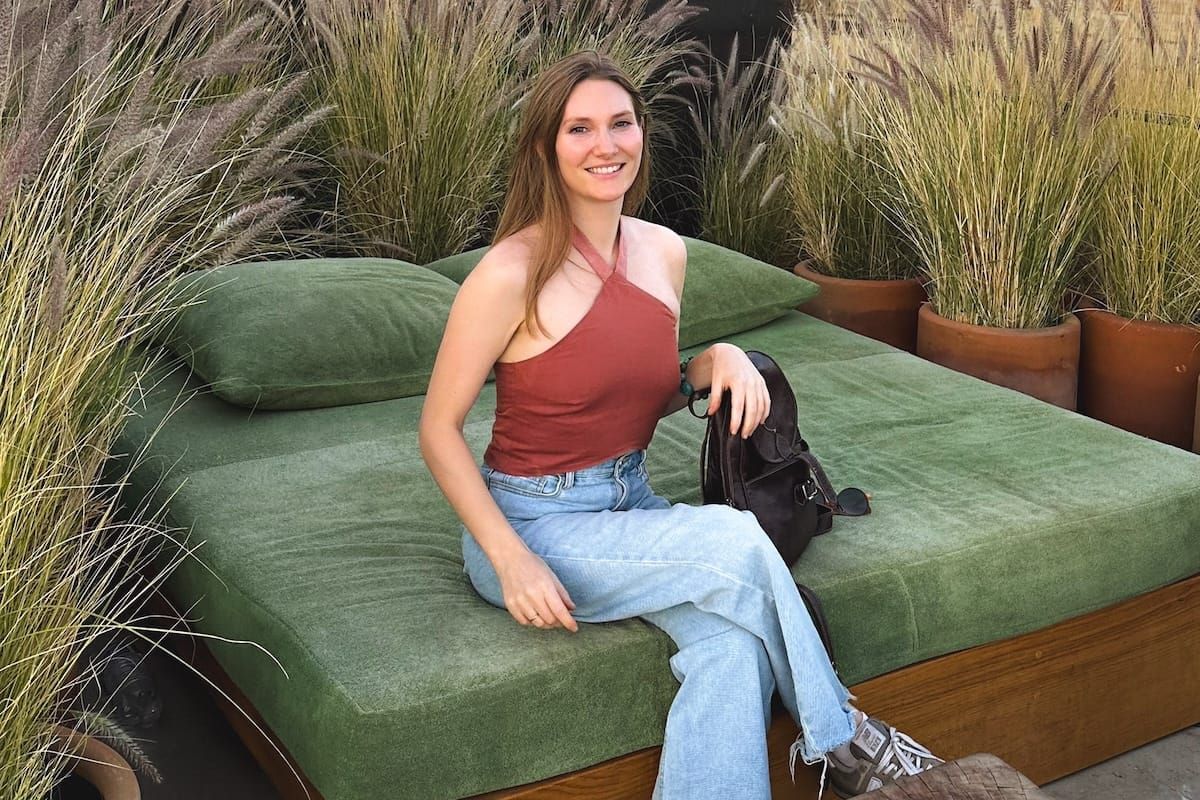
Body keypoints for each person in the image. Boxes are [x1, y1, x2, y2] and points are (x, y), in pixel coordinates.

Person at [418, 50, 942, 799]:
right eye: (580, 129)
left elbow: (641, 391)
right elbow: (438, 430)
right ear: (545, 147)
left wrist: (715, 359)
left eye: (621, 123)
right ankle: (845, 741)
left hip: (634, 508)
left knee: (734, 650)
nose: (606, 145)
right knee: (732, 537)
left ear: (642, 134)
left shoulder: (663, 251)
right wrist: (510, 559)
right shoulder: (509, 273)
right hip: (534, 521)